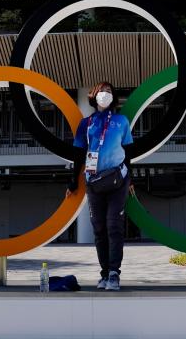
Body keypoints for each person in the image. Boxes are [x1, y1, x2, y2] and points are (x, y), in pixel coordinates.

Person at [66, 81, 134, 291]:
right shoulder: (86, 124)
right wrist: (72, 181)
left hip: (117, 180)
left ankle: (114, 273)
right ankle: (104, 273)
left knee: (114, 226)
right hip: (93, 181)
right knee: (99, 229)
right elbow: (78, 155)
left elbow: (129, 151)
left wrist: (131, 180)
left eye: (109, 92)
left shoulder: (121, 121)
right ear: (93, 96)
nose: (105, 94)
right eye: (102, 91)